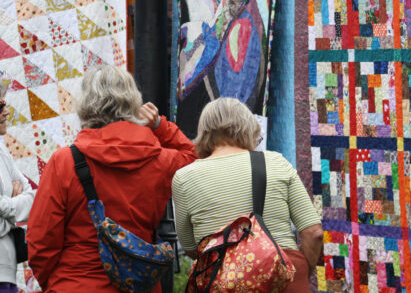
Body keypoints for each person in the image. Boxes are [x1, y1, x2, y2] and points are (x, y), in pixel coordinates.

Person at [27, 65, 198, 292]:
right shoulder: (160, 161)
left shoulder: (64, 162)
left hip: (74, 284)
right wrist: (160, 126)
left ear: (86, 105)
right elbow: (193, 159)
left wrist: (56, 283)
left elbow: (41, 242)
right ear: (133, 104)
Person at [172, 97, 323, 292]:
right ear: (249, 128)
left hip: (223, 280)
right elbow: (314, 233)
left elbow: (192, 248)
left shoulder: (184, 178)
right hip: (286, 276)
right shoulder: (276, 163)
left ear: (204, 133)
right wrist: (300, 272)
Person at [0, 82, 36, 293]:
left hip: (7, 268)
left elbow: (31, 194)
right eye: (0, 105)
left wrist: (7, 208)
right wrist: (12, 213)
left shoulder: (2, 150)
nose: (6, 111)